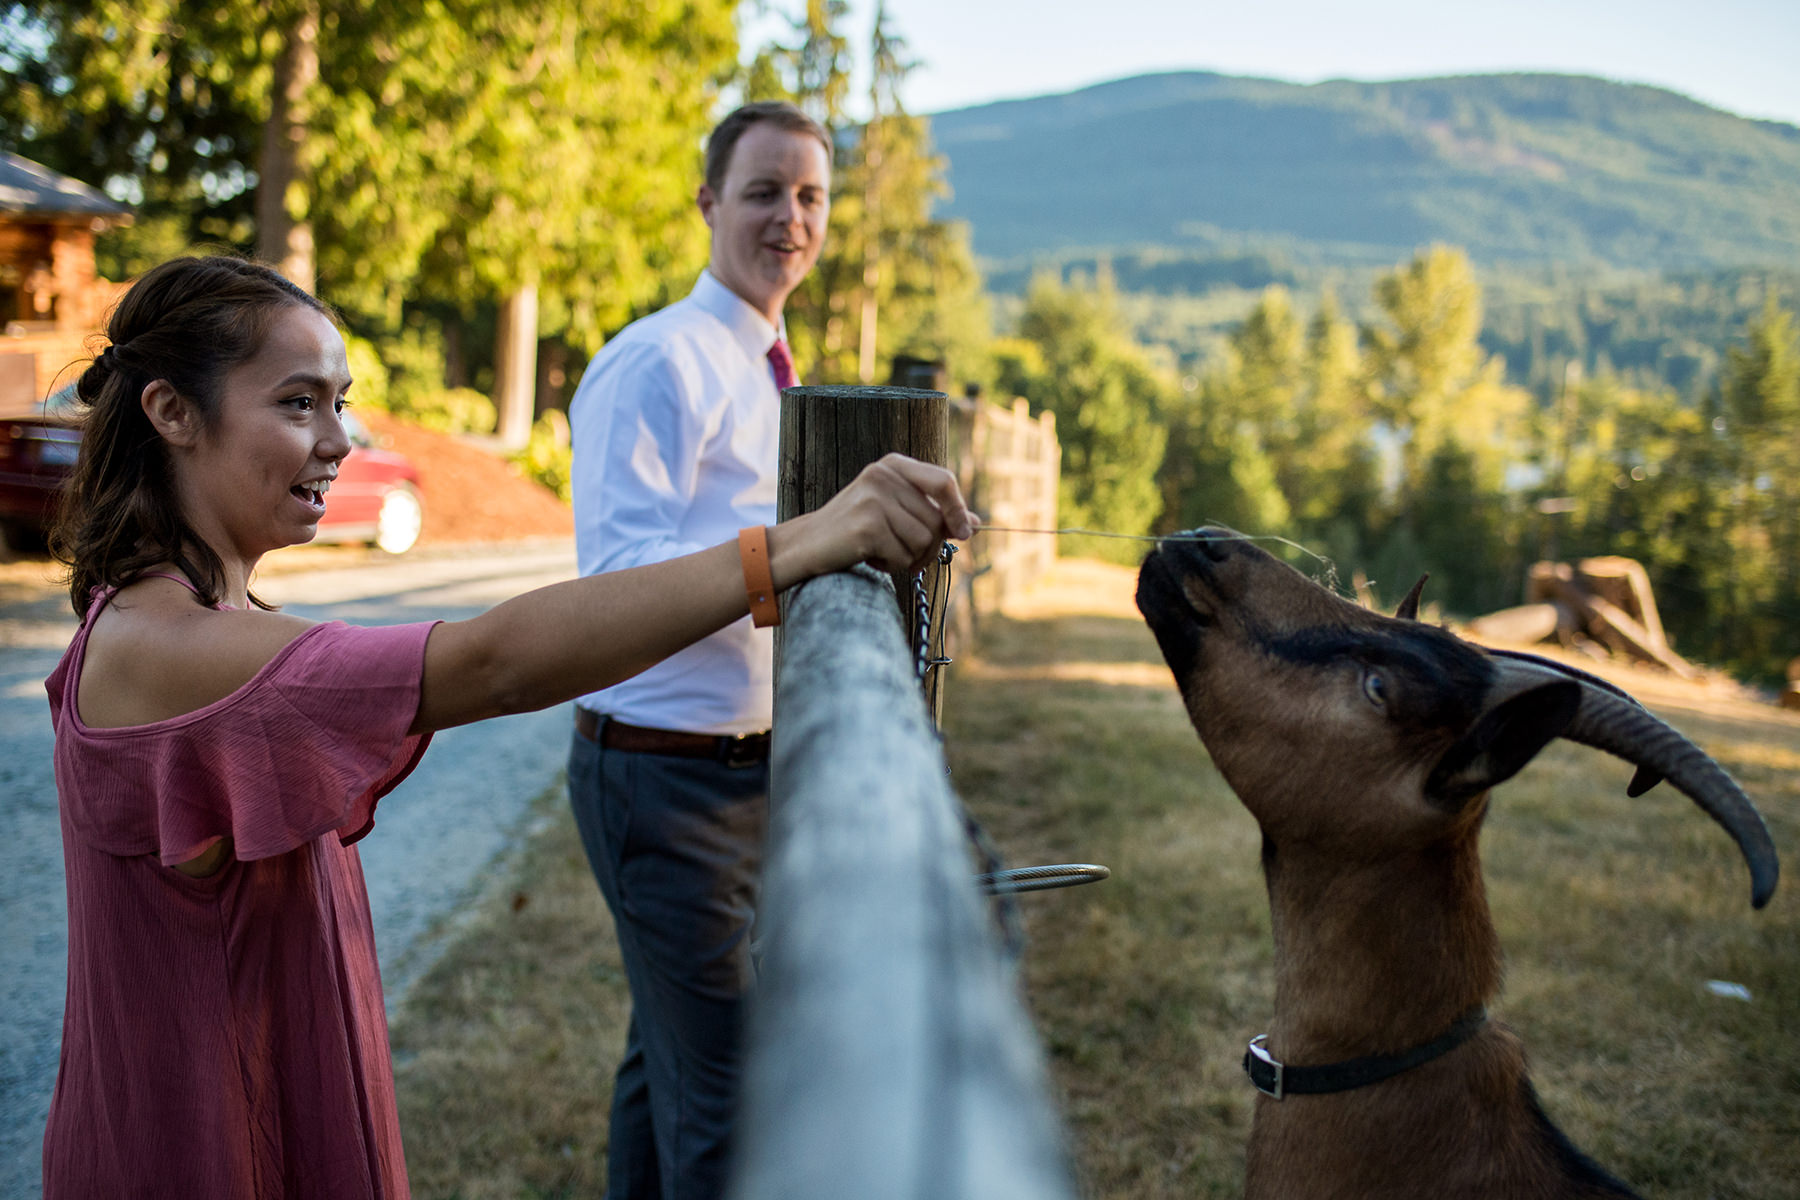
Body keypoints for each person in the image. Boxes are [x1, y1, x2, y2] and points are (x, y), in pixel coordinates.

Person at [40, 253, 974, 1200]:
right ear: (171, 412)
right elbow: (493, 661)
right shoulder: (162, 649)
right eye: (297, 404)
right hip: (198, 1152)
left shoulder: (193, 624)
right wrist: (801, 541)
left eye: (341, 401)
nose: (341, 438)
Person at [562, 100, 832, 1200]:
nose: (791, 217)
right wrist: (807, 556)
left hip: (737, 772)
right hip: (662, 778)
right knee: (728, 1109)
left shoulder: (773, 364)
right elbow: (624, 579)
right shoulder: (658, 363)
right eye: (765, 190)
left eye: (811, 195)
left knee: (668, 1067)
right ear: (709, 202)